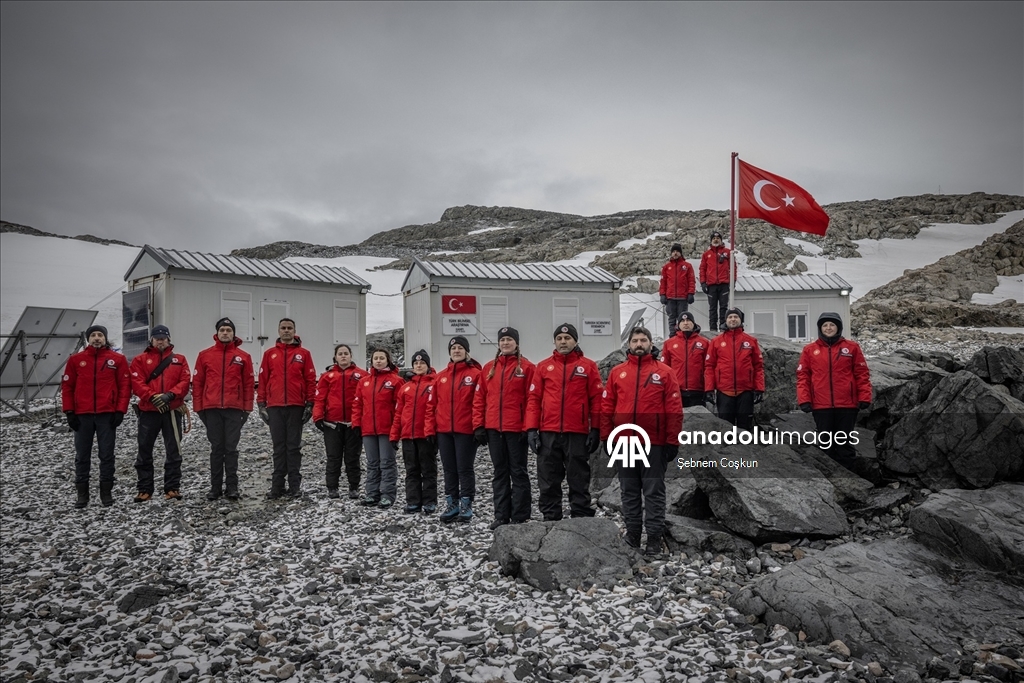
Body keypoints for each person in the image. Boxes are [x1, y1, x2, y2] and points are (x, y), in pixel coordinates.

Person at [602, 327, 682, 556]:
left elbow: (674, 410)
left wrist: (671, 441)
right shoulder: (618, 373)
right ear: (629, 344)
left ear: (650, 343)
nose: (639, 344)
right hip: (625, 443)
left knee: (654, 491)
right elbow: (607, 408)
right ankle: (633, 535)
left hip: (653, 443)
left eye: (643, 340)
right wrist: (607, 438)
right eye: (635, 340)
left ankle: (654, 539)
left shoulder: (665, 373)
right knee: (629, 490)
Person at [525, 324, 603, 521]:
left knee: (578, 478)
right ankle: (551, 518)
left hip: (577, 432)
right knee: (548, 479)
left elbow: (596, 400)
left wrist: (596, 429)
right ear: (554, 342)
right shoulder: (543, 367)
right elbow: (534, 399)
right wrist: (532, 429)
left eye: (567, 338)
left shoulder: (588, 366)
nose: (563, 342)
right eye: (559, 338)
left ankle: (581, 517)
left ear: (575, 341)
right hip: (548, 432)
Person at [473, 327, 536, 530]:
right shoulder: (488, 368)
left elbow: (531, 400)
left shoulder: (527, 368)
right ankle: (501, 515)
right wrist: (479, 425)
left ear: (516, 343)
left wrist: (528, 427)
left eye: (509, 339)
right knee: (500, 472)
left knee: (518, 472)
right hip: (493, 429)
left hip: (515, 429)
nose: (506, 343)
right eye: (503, 340)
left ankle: (520, 514)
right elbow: (479, 398)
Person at [62, 324, 130, 508]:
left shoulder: (117, 359)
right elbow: (67, 387)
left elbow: (125, 386)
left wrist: (120, 410)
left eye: (100, 335)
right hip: (82, 415)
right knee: (82, 455)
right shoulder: (76, 360)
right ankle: (82, 495)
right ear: (88, 339)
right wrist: (69, 412)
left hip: (106, 415)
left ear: (106, 338)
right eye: (93, 335)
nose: (97, 338)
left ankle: (106, 493)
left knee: (106, 455)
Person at [797, 312, 873, 474]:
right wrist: (804, 399)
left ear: (838, 327)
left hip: (847, 405)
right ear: (820, 328)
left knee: (844, 442)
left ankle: (850, 478)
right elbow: (803, 376)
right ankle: (829, 479)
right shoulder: (810, 350)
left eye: (832, 324)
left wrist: (864, 396)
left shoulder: (851, 347)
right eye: (825, 325)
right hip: (821, 405)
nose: (828, 328)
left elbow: (862, 373)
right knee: (825, 442)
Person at [193, 317, 254, 501]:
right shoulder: (205, 355)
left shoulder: (243, 357)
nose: (225, 333)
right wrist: (198, 408)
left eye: (228, 330)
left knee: (231, 448)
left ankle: (232, 487)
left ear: (234, 333)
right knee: (217, 447)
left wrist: (247, 408)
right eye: (222, 330)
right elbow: (198, 383)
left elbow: (248, 384)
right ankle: (215, 487)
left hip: (234, 409)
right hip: (211, 409)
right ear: (217, 333)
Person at [129, 325, 192, 502]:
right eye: (157, 337)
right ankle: (144, 489)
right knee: (144, 449)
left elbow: (185, 381)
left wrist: (170, 395)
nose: (160, 340)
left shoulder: (179, 360)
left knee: (173, 450)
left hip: (171, 411)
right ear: (151, 340)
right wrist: (152, 397)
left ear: (169, 339)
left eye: (163, 337)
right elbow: (136, 381)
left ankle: (172, 487)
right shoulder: (140, 360)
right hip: (148, 411)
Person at [256, 318, 317, 499]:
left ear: (294, 330)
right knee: (278, 447)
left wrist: (310, 403)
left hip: (296, 406)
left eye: (290, 328)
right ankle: (277, 486)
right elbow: (263, 379)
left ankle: (295, 486)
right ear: (278, 330)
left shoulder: (304, 354)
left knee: (293, 447)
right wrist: (261, 404)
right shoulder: (269, 354)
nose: (286, 331)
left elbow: (309, 380)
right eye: (283, 328)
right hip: (274, 406)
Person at [426, 336, 482, 524]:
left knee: (464, 468)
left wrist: (478, 426)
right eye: (453, 348)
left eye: (460, 348)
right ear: (449, 352)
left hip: (465, 430)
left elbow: (478, 403)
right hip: (444, 431)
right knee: (449, 469)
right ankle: (452, 503)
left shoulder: (475, 374)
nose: (456, 351)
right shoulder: (440, 377)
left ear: (466, 351)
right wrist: (430, 431)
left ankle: (466, 503)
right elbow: (431, 405)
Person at [351, 348, 404, 508]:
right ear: (371, 361)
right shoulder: (364, 382)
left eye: (382, 358)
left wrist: (397, 429)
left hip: (386, 428)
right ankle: (372, 494)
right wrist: (356, 423)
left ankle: (387, 494)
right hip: (368, 429)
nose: (379, 361)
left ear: (388, 360)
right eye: (376, 358)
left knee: (387, 462)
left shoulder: (396, 381)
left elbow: (399, 407)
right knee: (372, 462)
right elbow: (357, 404)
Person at [313, 344, 365, 500]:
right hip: (332, 424)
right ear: (335, 357)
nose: (343, 356)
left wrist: (363, 420)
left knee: (353, 457)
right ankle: (332, 487)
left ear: (350, 356)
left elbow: (365, 399)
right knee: (333, 457)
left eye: (346, 353)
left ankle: (354, 487)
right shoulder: (327, 376)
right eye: (340, 354)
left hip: (353, 424)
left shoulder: (361, 375)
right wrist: (318, 417)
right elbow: (320, 397)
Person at [390, 349, 438, 514]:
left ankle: (429, 501)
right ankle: (413, 501)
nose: (419, 366)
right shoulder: (405, 388)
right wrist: (394, 435)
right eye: (416, 363)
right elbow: (398, 413)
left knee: (428, 470)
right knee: (411, 470)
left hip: (425, 436)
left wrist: (433, 432)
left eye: (422, 363)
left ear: (428, 365)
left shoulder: (434, 385)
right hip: (408, 436)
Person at [703, 308, 765, 431]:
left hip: (745, 391)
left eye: (735, 317)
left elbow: (758, 366)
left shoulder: (751, 341)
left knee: (745, 427)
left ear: (741, 320)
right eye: (730, 317)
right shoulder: (716, 342)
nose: (733, 319)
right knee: (726, 428)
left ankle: (746, 449)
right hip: (724, 391)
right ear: (725, 320)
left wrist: (759, 388)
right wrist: (709, 389)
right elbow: (709, 366)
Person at [660, 311, 709, 408]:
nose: (685, 323)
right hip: (676, 390)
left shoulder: (704, 343)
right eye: (682, 321)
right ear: (678, 324)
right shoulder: (669, 344)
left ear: (693, 323)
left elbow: (708, 367)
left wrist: (709, 388)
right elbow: (664, 368)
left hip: (697, 390)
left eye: (688, 320)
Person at [699, 231, 735, 332]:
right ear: (711, 241)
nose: (716, 240)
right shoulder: (706, 254)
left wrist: (733, 281)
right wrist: (703, 282)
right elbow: (702, 269)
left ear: (721, 240)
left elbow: (733, 267)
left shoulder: (727, 252)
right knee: (712, 308)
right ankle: (713, 329)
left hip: (724, 284)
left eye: (718, 238)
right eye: (714, 238)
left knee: (724, 307)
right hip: (711, 285)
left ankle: (723, 327)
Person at [659, 243, 696, 333]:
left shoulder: (687, 266)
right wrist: (662, 294)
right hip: (670, 297)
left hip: (682, 297)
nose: (675, 253)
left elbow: (691, 280)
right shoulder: (666, 267)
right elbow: (663, 282)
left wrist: (691, 293)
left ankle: (682, 336)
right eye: (673, 251)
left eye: (677, 251)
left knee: (682, 318)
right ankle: (672, 336)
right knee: (671, 318)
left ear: (680, 253)